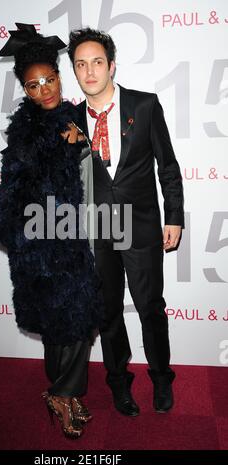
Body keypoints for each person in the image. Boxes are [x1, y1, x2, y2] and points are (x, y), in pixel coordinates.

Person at [0, 23, 102, 439]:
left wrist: (78, 143)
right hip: (42, 245)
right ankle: (60, 395)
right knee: (63, 322)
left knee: (75, 321)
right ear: (25, 90)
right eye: (34, 86)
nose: (44, 90)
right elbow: (10, 194)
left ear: (58, 77)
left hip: (71, 239)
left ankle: (65, 393)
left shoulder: (71, 116)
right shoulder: (27, 133)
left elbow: (88, 163)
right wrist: (25, 239)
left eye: (49, 80)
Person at [67, 27, 184, 416]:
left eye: (96, 62)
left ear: (111, 65)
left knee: (151, 307)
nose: (89, 71)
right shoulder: (67, 120)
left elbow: (168, 167)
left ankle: (162, 377)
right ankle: (119, 383)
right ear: (75, 70)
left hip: (143, 226)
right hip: (96, 231)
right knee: (108, 313)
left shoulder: (145, 105)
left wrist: (175, 218)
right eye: (80, 64)